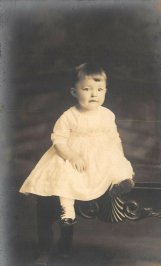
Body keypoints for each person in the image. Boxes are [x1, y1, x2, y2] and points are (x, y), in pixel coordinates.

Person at [20, 63, 134, 226]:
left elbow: (114, 138)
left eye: (99, 90)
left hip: (102, 156)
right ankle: (67, 209)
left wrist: (120, 156)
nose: (94, 94)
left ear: (105, 91)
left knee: (119, 165)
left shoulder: (107, 115)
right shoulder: (69, 116)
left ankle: (120, 183)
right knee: (66, 174)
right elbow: (58, 140)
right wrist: (72, 156)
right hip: (76, 155)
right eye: (87, 89)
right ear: (74, 92)